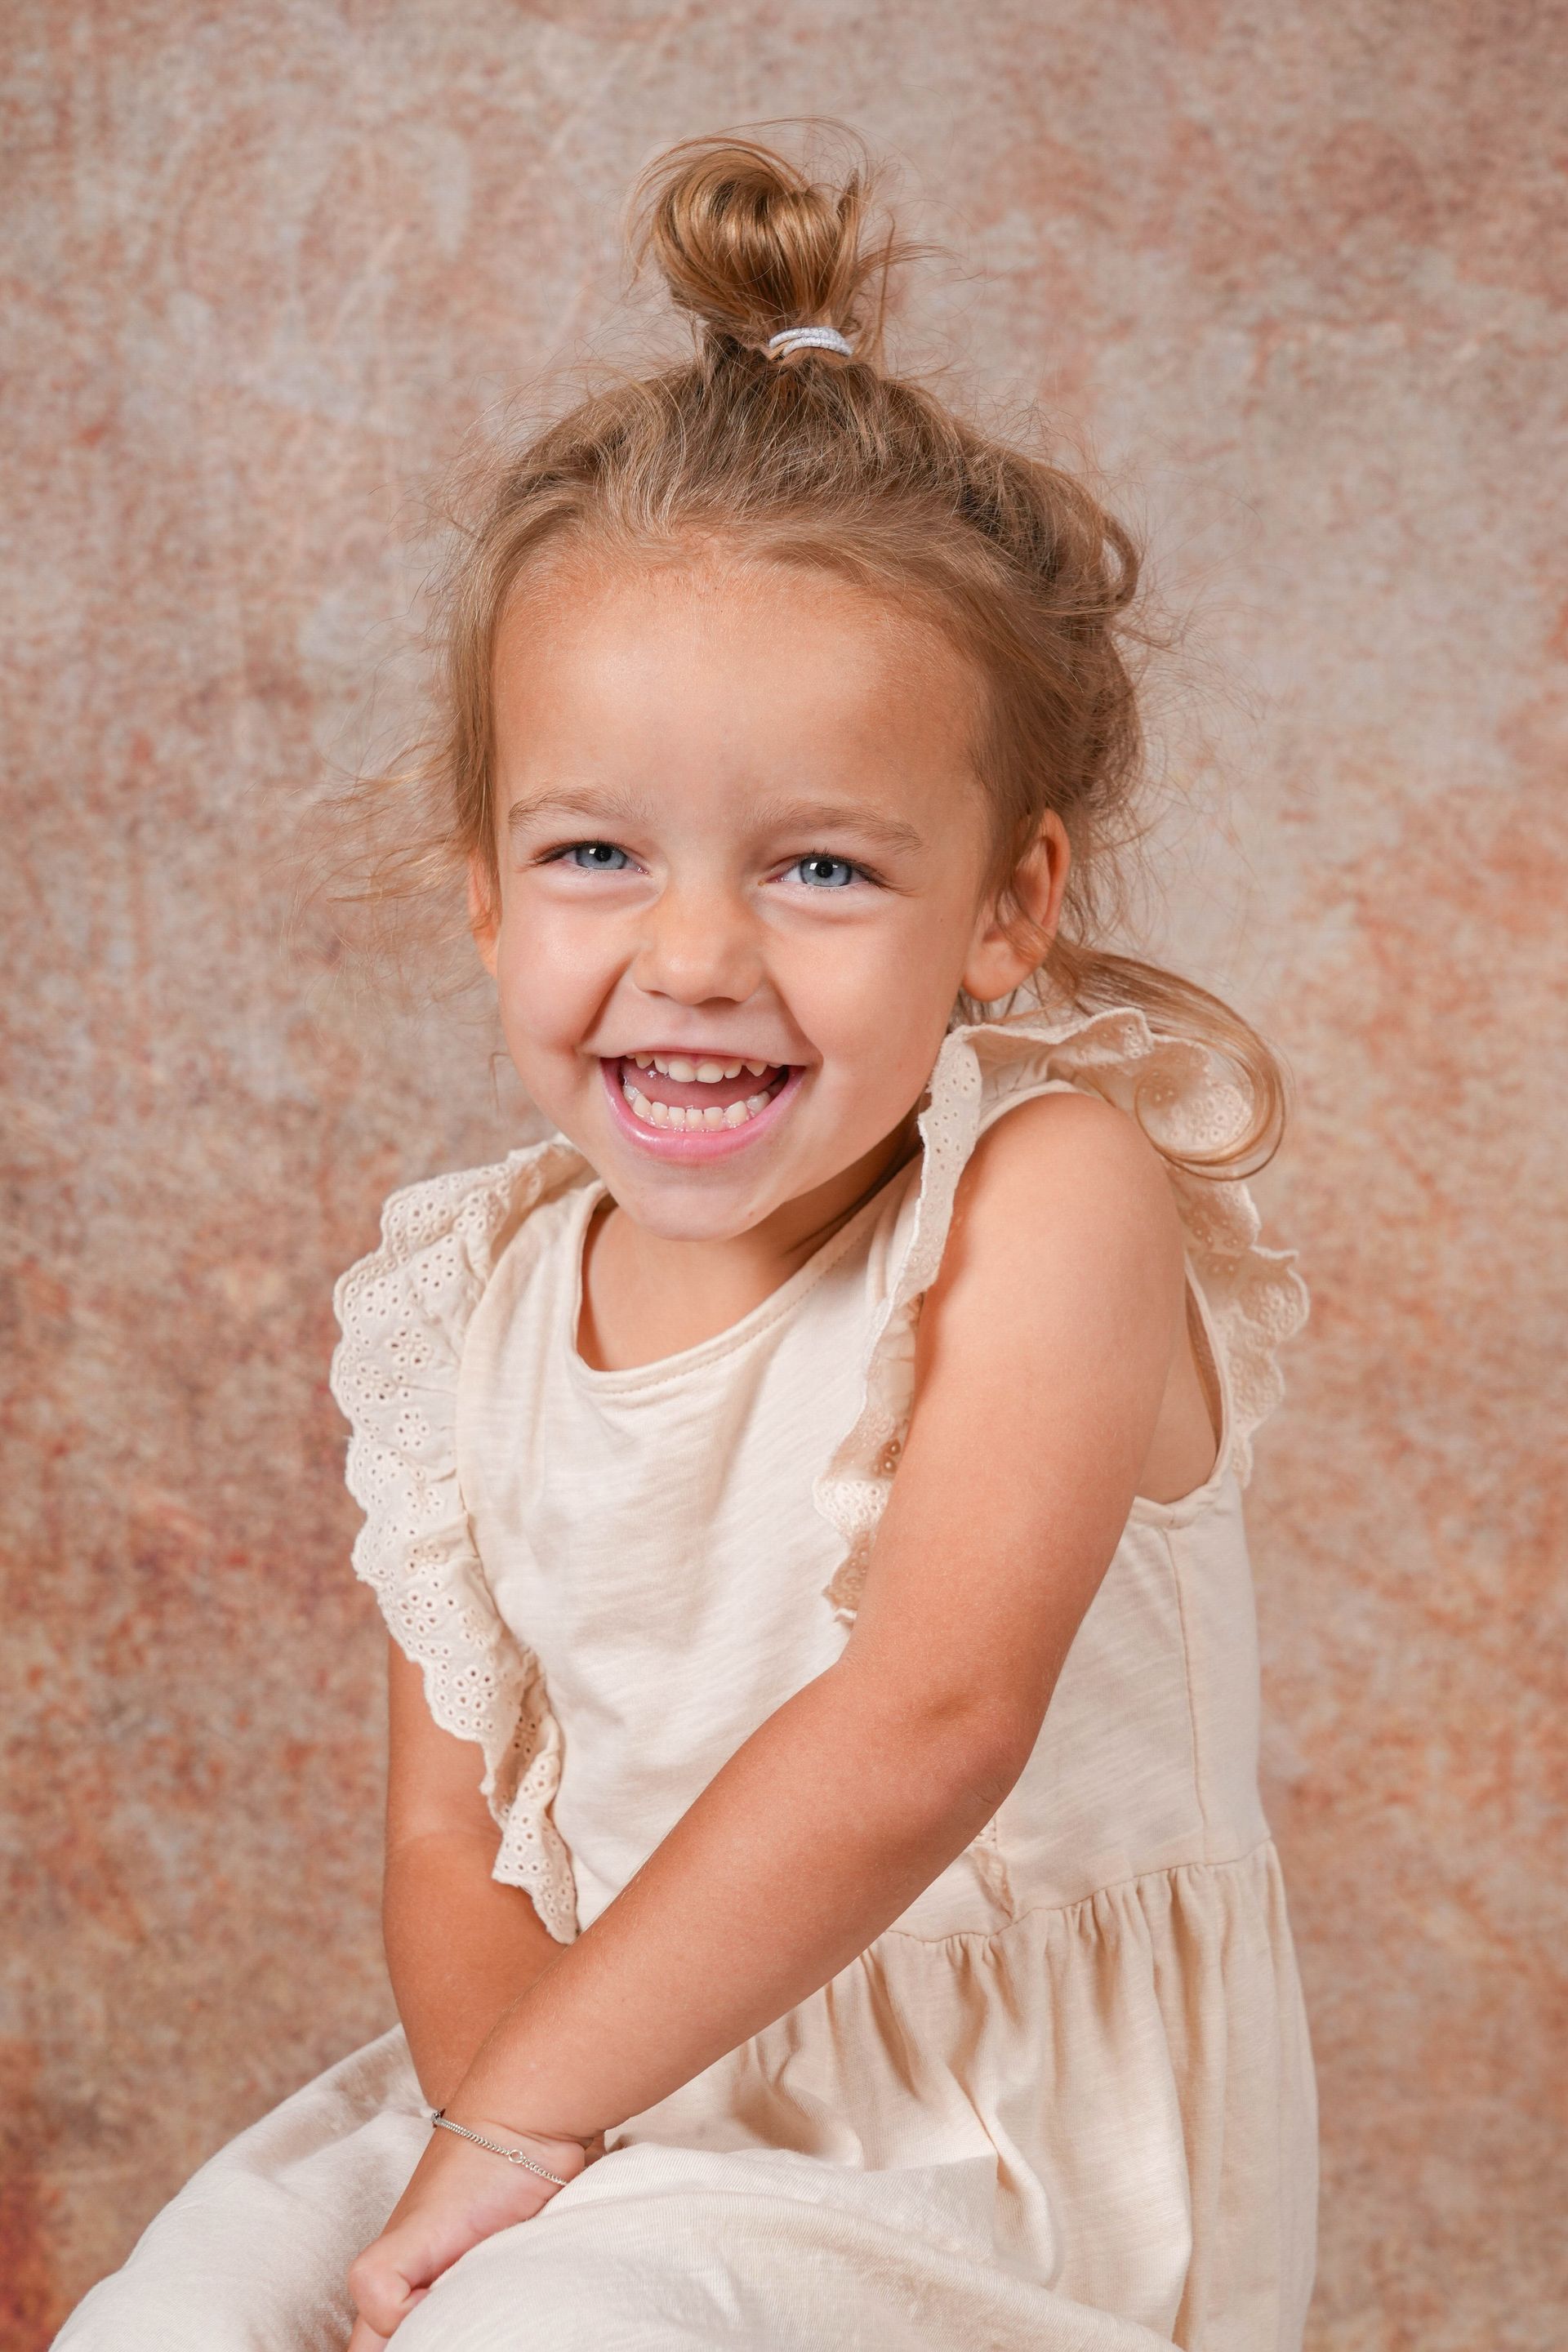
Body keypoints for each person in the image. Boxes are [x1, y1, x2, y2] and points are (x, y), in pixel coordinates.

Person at [56, 128, 1316, 2352]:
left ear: (1010, 904)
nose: (699, 955)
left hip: (981, 2158)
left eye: (823, 869)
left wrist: (528, 2169)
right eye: (597, 853)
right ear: (482, 882)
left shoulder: (1045, 1202)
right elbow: (452, 1849)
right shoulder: (474, 1301)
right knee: (180, 2320)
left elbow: (931, 1716)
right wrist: (514, 2138)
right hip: (605, 2077)